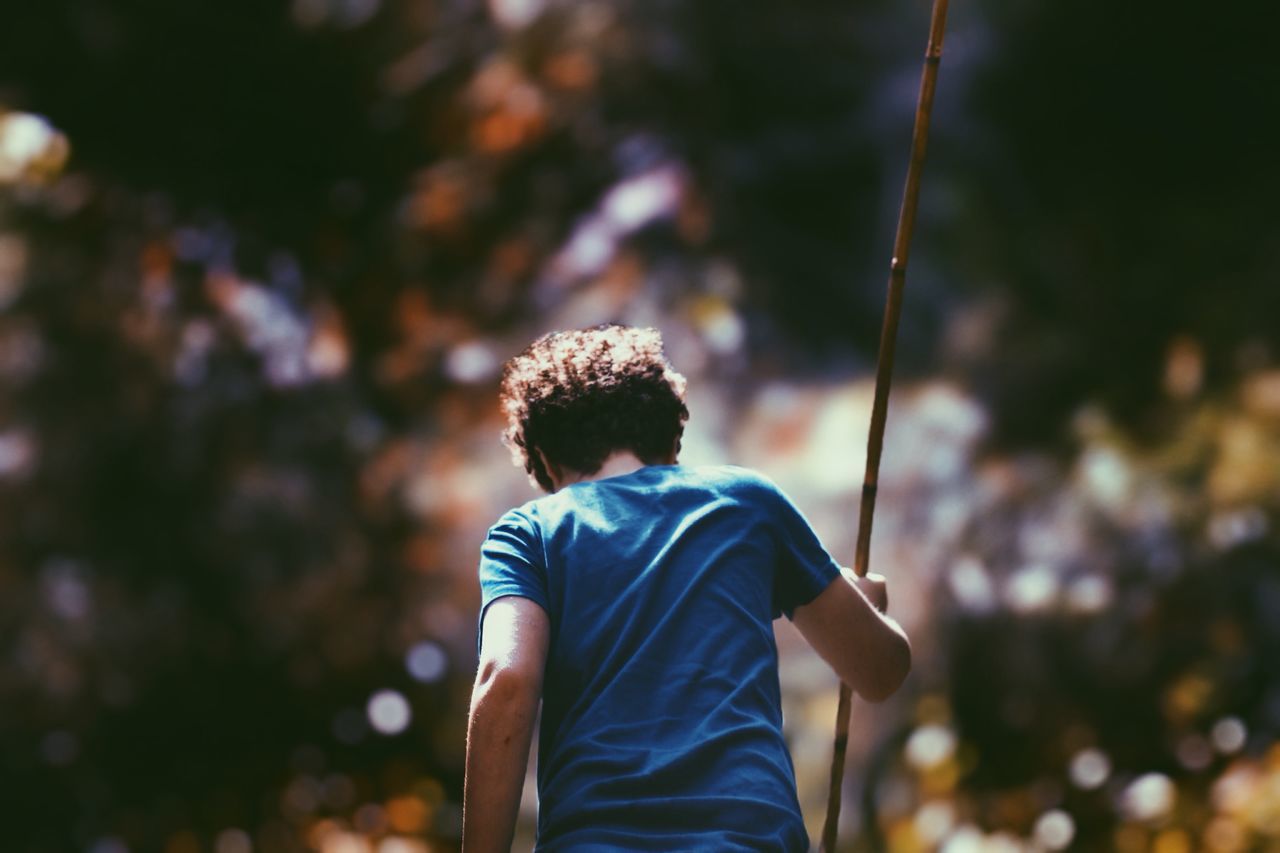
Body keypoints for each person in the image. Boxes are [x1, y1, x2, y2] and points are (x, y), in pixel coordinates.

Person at [463, 324, 911, 852]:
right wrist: (866, 608)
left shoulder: (529, 532)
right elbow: (880, 672)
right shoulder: (746, 502)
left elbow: (507, 678)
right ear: (673, 436)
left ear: (542, 458)